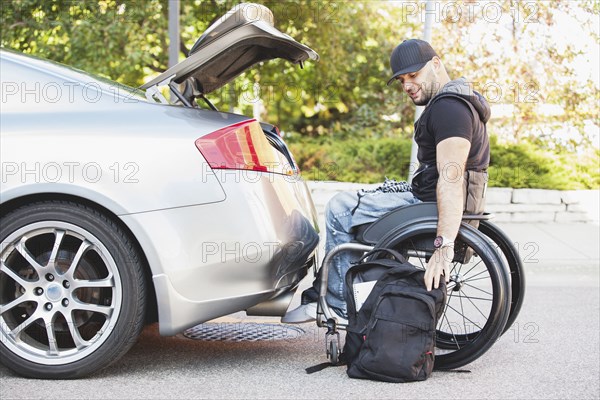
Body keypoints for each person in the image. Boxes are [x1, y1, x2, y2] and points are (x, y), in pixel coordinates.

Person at [282, 39, 490, 323]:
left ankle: (338, 304)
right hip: (427, 198)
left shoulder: (449, 109)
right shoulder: (459, 102)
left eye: (414, 75)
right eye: (402, 80)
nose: (407, 85)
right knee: (359, 203)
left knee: (340, 208)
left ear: (436, 64)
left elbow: (451, 179)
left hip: (428, 207)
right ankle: (345, 288)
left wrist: (443, 247)